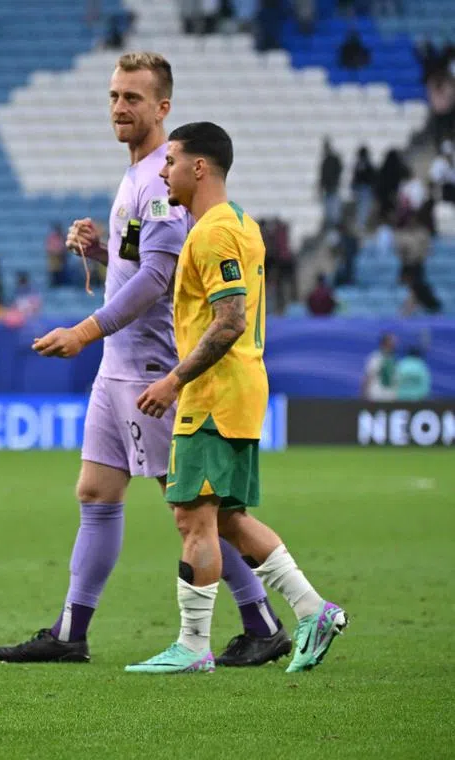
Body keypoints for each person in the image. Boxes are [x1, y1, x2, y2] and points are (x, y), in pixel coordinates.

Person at [0, 53, 289, 669]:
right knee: (96, 490)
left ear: (163, 108)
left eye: (133, 97)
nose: (120, 108)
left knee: (193, 510)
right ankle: (72, 631)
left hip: (150, 366)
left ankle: (262, 620)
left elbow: (159, 276)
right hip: (119, 365)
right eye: (113, 96)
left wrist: (85, 330)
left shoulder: (162, 178)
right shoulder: (139, 175)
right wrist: (101, 252)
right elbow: (144, 263)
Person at [130, 121, 347, 674]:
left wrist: (175, 380)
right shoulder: (241, 224)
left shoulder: (214, 233)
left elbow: (229, 321)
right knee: (224, 516)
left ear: (198, 167)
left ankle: (193, 645)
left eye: (171, 160)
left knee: (191, 516)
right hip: (234, 390)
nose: (163, 170)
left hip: (214, 393)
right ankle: (310, 609)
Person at [363, 332, 397, 401]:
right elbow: (369, 377)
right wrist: (364, 394)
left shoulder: (393, 359)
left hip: (390, 397)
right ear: (385, 344)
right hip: (377, 396)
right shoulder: (376, 358)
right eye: (392, 343)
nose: (394, 346)